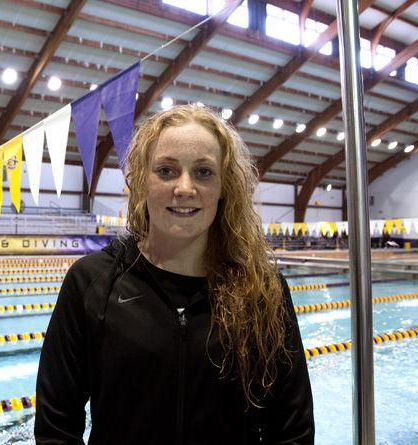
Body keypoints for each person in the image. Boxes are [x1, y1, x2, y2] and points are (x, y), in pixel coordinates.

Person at [35, 104, 314, 444]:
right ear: (141, 181)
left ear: (225, 186)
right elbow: (56, 427)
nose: (184, 188)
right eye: (166, 171)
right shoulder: (90, 283)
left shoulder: (263, 290)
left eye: (204, 172)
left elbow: (293, 428)